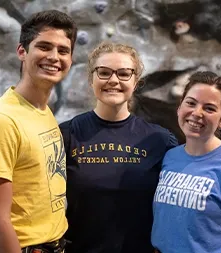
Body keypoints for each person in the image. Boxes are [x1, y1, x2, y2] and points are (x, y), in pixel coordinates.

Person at [0, 10, 77, 253]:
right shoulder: (1, 119)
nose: (54, 57)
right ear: (22, 51)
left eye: (63, 50)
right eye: (44, 47)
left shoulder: (42, 111)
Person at [59, 41, 178, 253]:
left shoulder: (160, 141)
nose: (113, 80)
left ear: (136, 81)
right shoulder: (66, 134)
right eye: (104, 72)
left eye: (124, 73)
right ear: (91, 78)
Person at [151, 71, 221, 253]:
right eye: (191, 103)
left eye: (209, 108)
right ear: (179, 107)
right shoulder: (169, 157)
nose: (197, 113)